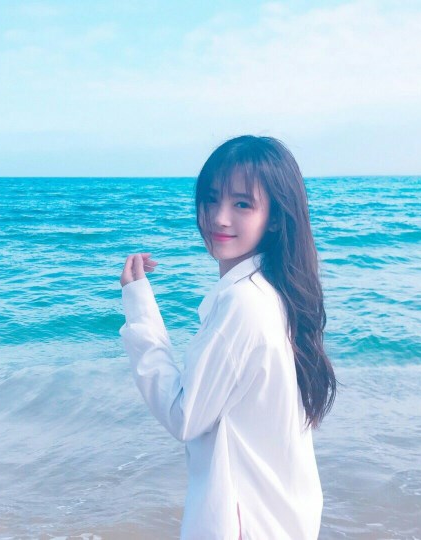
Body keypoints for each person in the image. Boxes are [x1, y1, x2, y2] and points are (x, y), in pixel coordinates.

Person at [118, 135, 337, 539]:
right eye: (211, 199)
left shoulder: (244, 303)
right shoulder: (278, 294)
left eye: (242, 204)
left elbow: (184, 416)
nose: (219, 217)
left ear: (275, 216)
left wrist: (140, 308)